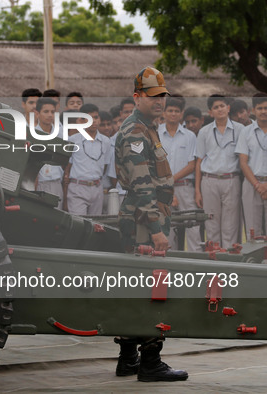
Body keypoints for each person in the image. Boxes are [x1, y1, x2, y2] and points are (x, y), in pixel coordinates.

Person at [114, 66, 188, 382]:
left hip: (144, 217)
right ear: (137, 96)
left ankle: (129, 358)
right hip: (144, 221)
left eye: (162, 96)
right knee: (151, 288)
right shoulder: (134, 131)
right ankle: (151, 362)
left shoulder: (147, 127)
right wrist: (157, 231)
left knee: (135, 289)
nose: (159, 102)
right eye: (153, 96)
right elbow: (143, 184)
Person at [195, 94, 244, 249]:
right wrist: (197, 190)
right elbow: (199, 161)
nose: (220, 109)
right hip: (209, 181)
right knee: (211, 225)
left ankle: (229, 263)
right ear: (210, 112)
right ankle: (214, 264)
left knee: (230, 226)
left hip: (232, 179)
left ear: (228, 108)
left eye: (222, 106)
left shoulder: (240, 130)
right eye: (216, 107)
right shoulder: (204, 132)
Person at [158, 97, 201, 251]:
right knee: (167, 229)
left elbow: (191, 165)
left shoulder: (190, 136)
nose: (173, 114)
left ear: (182, 113)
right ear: (164, 112)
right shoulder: (156, 134)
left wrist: (171, 180)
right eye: (170, 110)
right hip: (162, 188)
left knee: (193, 229)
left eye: (177, 111)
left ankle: (197, 267)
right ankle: (170, 266)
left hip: (185, 188)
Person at [62, 103, 111, 215]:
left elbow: (104, 166)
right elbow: (67, 168)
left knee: (95, 226)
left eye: (96, 117)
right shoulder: (73, 140)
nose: (94, 121)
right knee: (79, 224)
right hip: (78, 187)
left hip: (97, 187)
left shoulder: (106, 141)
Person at [235, 93, 267, 240]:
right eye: (260, 108)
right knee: (253, 232)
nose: (264, 111)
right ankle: (255, 263)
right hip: (251, 184)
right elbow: (243, 161)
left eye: (266, 108)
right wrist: (257, 185)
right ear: (253, 110)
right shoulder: (246, 132)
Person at [34, 98, 64, 208]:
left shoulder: (60, 134)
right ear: (37, 113)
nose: (50, 115)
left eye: (53, 112)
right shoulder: (32, 135)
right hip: (40, 185)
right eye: (46, 112)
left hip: (57, 183)